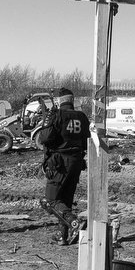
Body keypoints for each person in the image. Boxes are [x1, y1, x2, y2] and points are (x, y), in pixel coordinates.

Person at [37, 87, 90, 246]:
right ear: (72, 101)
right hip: (76, 162)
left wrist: (47, 121)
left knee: (50, 200)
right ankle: (62, 235)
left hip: (60, 163)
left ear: (60, 101)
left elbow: (44, 138)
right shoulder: (82, 117)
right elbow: (86, 138)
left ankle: (75, 223)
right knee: (65, 200)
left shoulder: (56, 115)